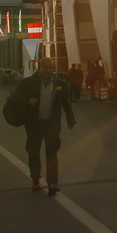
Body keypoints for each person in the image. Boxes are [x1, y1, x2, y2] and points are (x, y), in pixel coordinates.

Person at [10, 57, 76, 195]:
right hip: (34, 124)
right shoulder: (29, 83)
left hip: (51, 124)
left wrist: (70, 117)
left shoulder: (59, 84)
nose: (48, 70)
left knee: (52, 153)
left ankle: (53, 183)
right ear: (40, 68)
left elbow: (65, 103)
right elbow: (15, 98)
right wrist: (28, 102)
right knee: (34, 151)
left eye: (51, 68)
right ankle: (35, 178)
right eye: (46, 67)